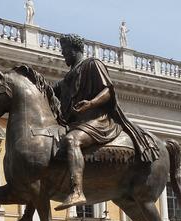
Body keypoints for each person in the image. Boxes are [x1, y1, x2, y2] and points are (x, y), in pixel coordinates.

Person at [52, 33, 159, 211]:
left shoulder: (92, 64)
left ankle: (77, 191)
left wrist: (90, 104)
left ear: (74, 50)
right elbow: (48, 91)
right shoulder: (68, 79)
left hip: (97, 121)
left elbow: (108, 92)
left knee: (72, 141)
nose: (62, 55)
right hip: (77, 124)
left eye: (64, 51)